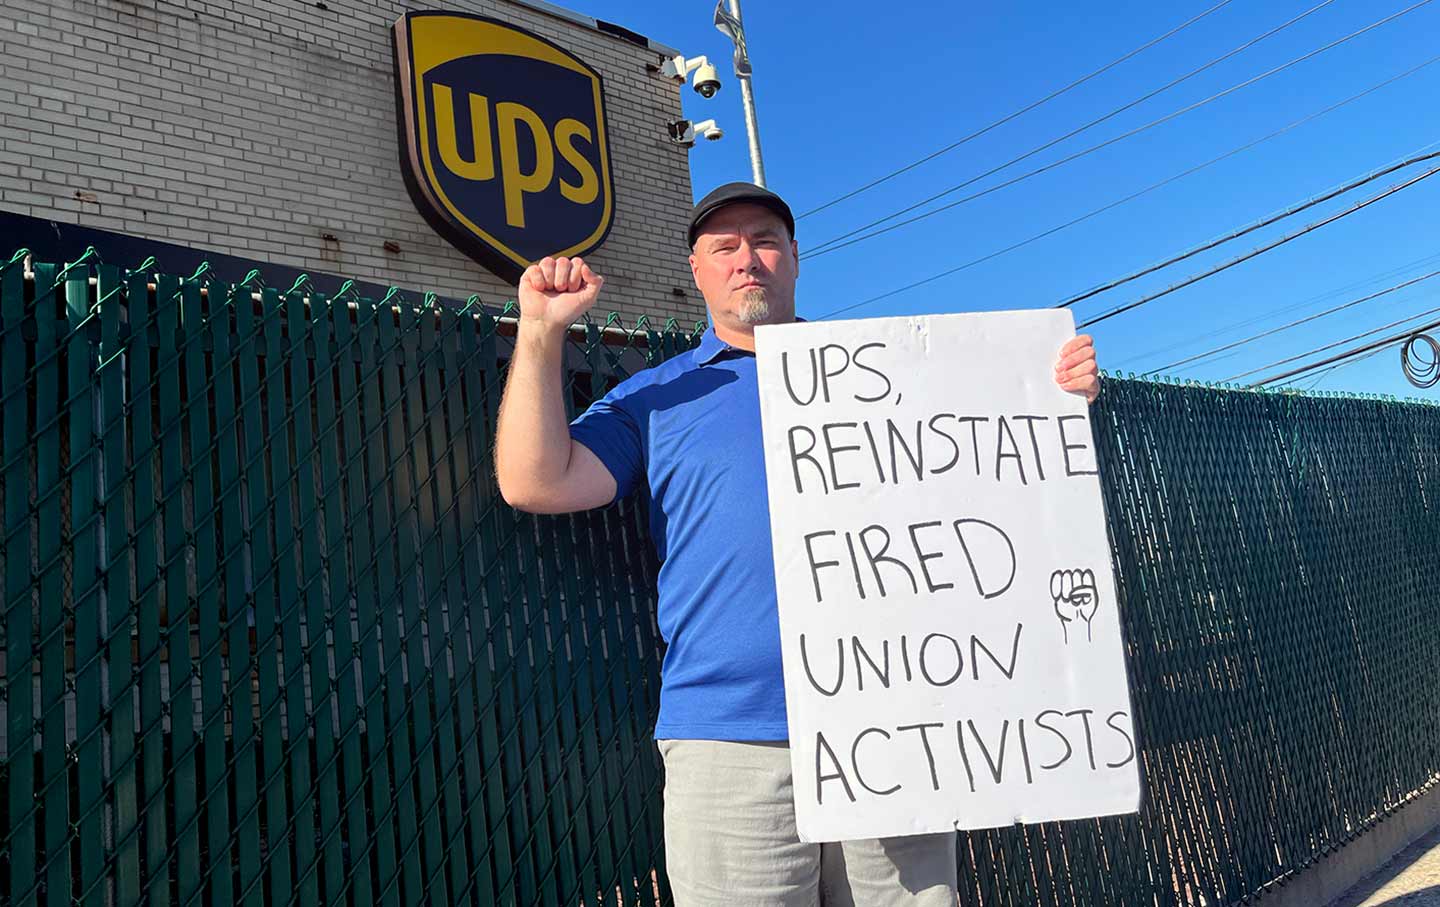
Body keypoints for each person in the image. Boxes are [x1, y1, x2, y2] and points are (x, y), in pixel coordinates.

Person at [494, 182, 1101, 906]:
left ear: (794, 259)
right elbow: (536, 481)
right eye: (724, 247)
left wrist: (1051, 394)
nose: (746, 259)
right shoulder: (654, 398)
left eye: (765, 241)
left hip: (900, 716)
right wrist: (539, 332)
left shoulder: (896, 379)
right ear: (697, 270)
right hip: (732, 738)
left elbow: (985, 487)